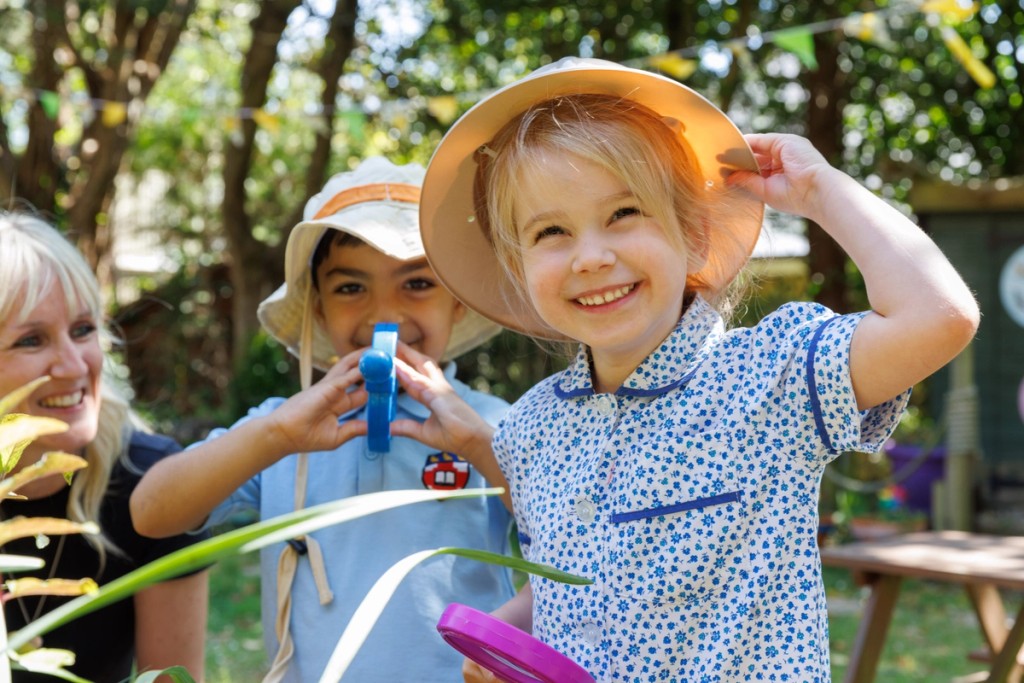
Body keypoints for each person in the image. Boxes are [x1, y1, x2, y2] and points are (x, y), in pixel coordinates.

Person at [417, 57, 981, 682]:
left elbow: (939, 315)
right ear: (517, 266)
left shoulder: (774, 377)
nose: (592, 257)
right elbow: (575, 588)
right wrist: (505, 639)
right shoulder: (528, 431)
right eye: (551, 231)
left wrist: (821, 192)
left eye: (623, 214)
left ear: (691, 232)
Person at [129, 157, 517, 683]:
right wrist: (275, 436)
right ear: (317, 310)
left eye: (417, 283)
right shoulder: (282, 431)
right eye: (351, 288)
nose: (387, 315)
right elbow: (151, 513)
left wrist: (474, 443)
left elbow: (570, 527)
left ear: (458, 304)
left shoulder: (494, 424)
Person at [0, 211, 209, 682]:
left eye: (83, 330)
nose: (74, 366)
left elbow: (171, 678)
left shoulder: (151, 483)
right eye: (32, 340)